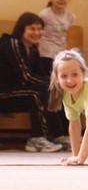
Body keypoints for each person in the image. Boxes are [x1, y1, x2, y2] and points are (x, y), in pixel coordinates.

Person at [0, 13, 66, 152]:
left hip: (18, 92)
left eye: (39, 29)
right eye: (32, 28)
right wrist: (54, 83)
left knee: (53, 91)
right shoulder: (13, 43)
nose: (36, 32)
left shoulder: (33, 49)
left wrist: (57, 85)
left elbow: (39, 75)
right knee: (36, 94)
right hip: (4, 93)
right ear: (22, 29)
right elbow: (27, 77)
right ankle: (36, 139)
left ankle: (59, 135)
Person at [38, 0, 76, 75]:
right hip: (46, 54)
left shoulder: (71, 16)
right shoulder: (44, 15)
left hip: (60, 53)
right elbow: (38, 33)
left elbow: (66, 35)